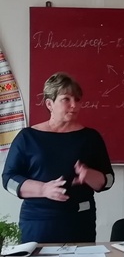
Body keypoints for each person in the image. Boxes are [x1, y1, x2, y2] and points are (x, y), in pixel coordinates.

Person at [2, 72, 115, 243]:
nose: (74, 105)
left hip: (79, 222)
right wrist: (43, 189)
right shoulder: (28, 137)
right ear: (49, 104)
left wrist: (90, 175)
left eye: (77, 99)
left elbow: (109, 180)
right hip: (38, 223)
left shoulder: (90, 138)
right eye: (66, 99)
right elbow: (9, 180)